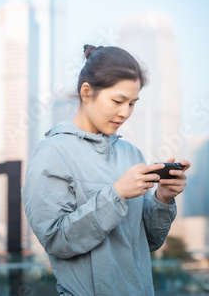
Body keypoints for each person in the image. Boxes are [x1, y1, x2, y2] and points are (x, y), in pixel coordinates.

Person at [22, 45, 190, 296]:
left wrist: (162, 199)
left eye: (132, 103)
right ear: (87, 92)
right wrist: (117, 194)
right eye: (118, 101)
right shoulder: (52, 153)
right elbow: (56, 240)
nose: (125, 112)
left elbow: (149, 243)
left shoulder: (131, 154)